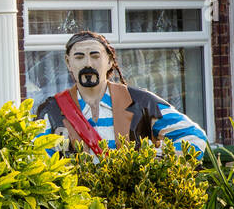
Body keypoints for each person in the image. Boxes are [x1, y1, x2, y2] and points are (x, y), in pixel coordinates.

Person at [35, 31, 208, 156]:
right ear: (68, 62)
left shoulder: (141, 102)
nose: (88, 63)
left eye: (95, 56)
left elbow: (195, 138)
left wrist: (154, 161)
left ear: (110, 61)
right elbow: (38, 157)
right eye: (79, 57)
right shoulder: (53, 110)